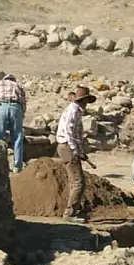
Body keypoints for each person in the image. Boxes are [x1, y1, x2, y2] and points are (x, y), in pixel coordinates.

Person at [56, 86, 97, 224]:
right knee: (78, 182)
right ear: (83, 100)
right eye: (85, 101)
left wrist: (81, 152)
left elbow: (76, 134)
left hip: (68, 147)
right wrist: (75, 149)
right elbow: (69, 131)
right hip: (67, 147)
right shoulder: (73, 111)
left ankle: (74, 209)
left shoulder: (75, 111)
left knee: (74, 182)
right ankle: (69, 213)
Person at [0, 74, 27, 173]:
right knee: (17, 137)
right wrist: (21, 115)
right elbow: (24, 103)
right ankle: (17, 166)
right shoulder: (18, 85)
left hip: (1, 106)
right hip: (16, 108)